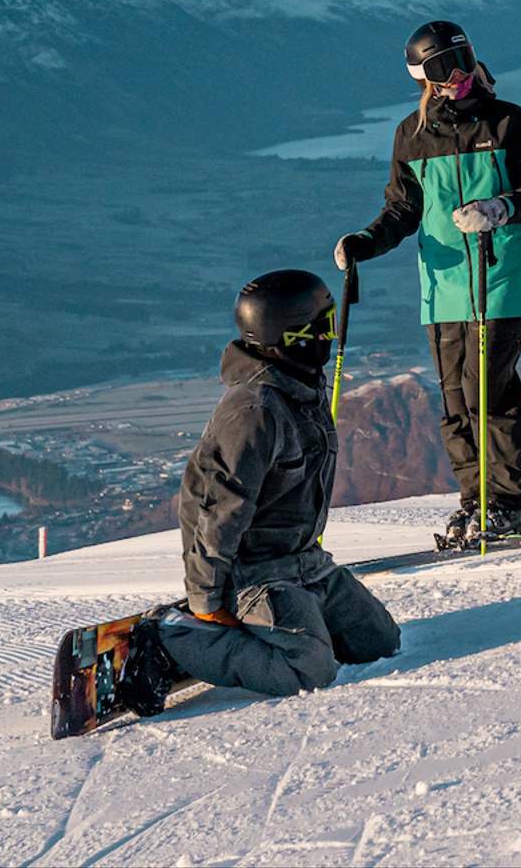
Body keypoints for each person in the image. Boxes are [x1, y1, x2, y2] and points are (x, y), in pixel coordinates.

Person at [116, 269, 401, 716]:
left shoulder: (301, 385)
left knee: (379, 643)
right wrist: (207, 598)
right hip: (255, 572)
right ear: (287, 337)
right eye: (320, 328)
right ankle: (169, 637)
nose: (331, 337)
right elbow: (214, 507)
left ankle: (268, 630)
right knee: (308, 670)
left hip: (305, 562)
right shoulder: (254, 410)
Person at [333, 21, 521, 545]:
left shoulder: (510, 122)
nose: (456, 75)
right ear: (423, 78)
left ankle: (507, 502)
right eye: (441, 68)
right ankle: (473, 500)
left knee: (489, 390)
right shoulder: (412, 136)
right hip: (443, 288)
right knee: (456, 399)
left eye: (463, 60)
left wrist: (501, 208)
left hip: (500, 277)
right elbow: (401, 211)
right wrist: (364, 242)